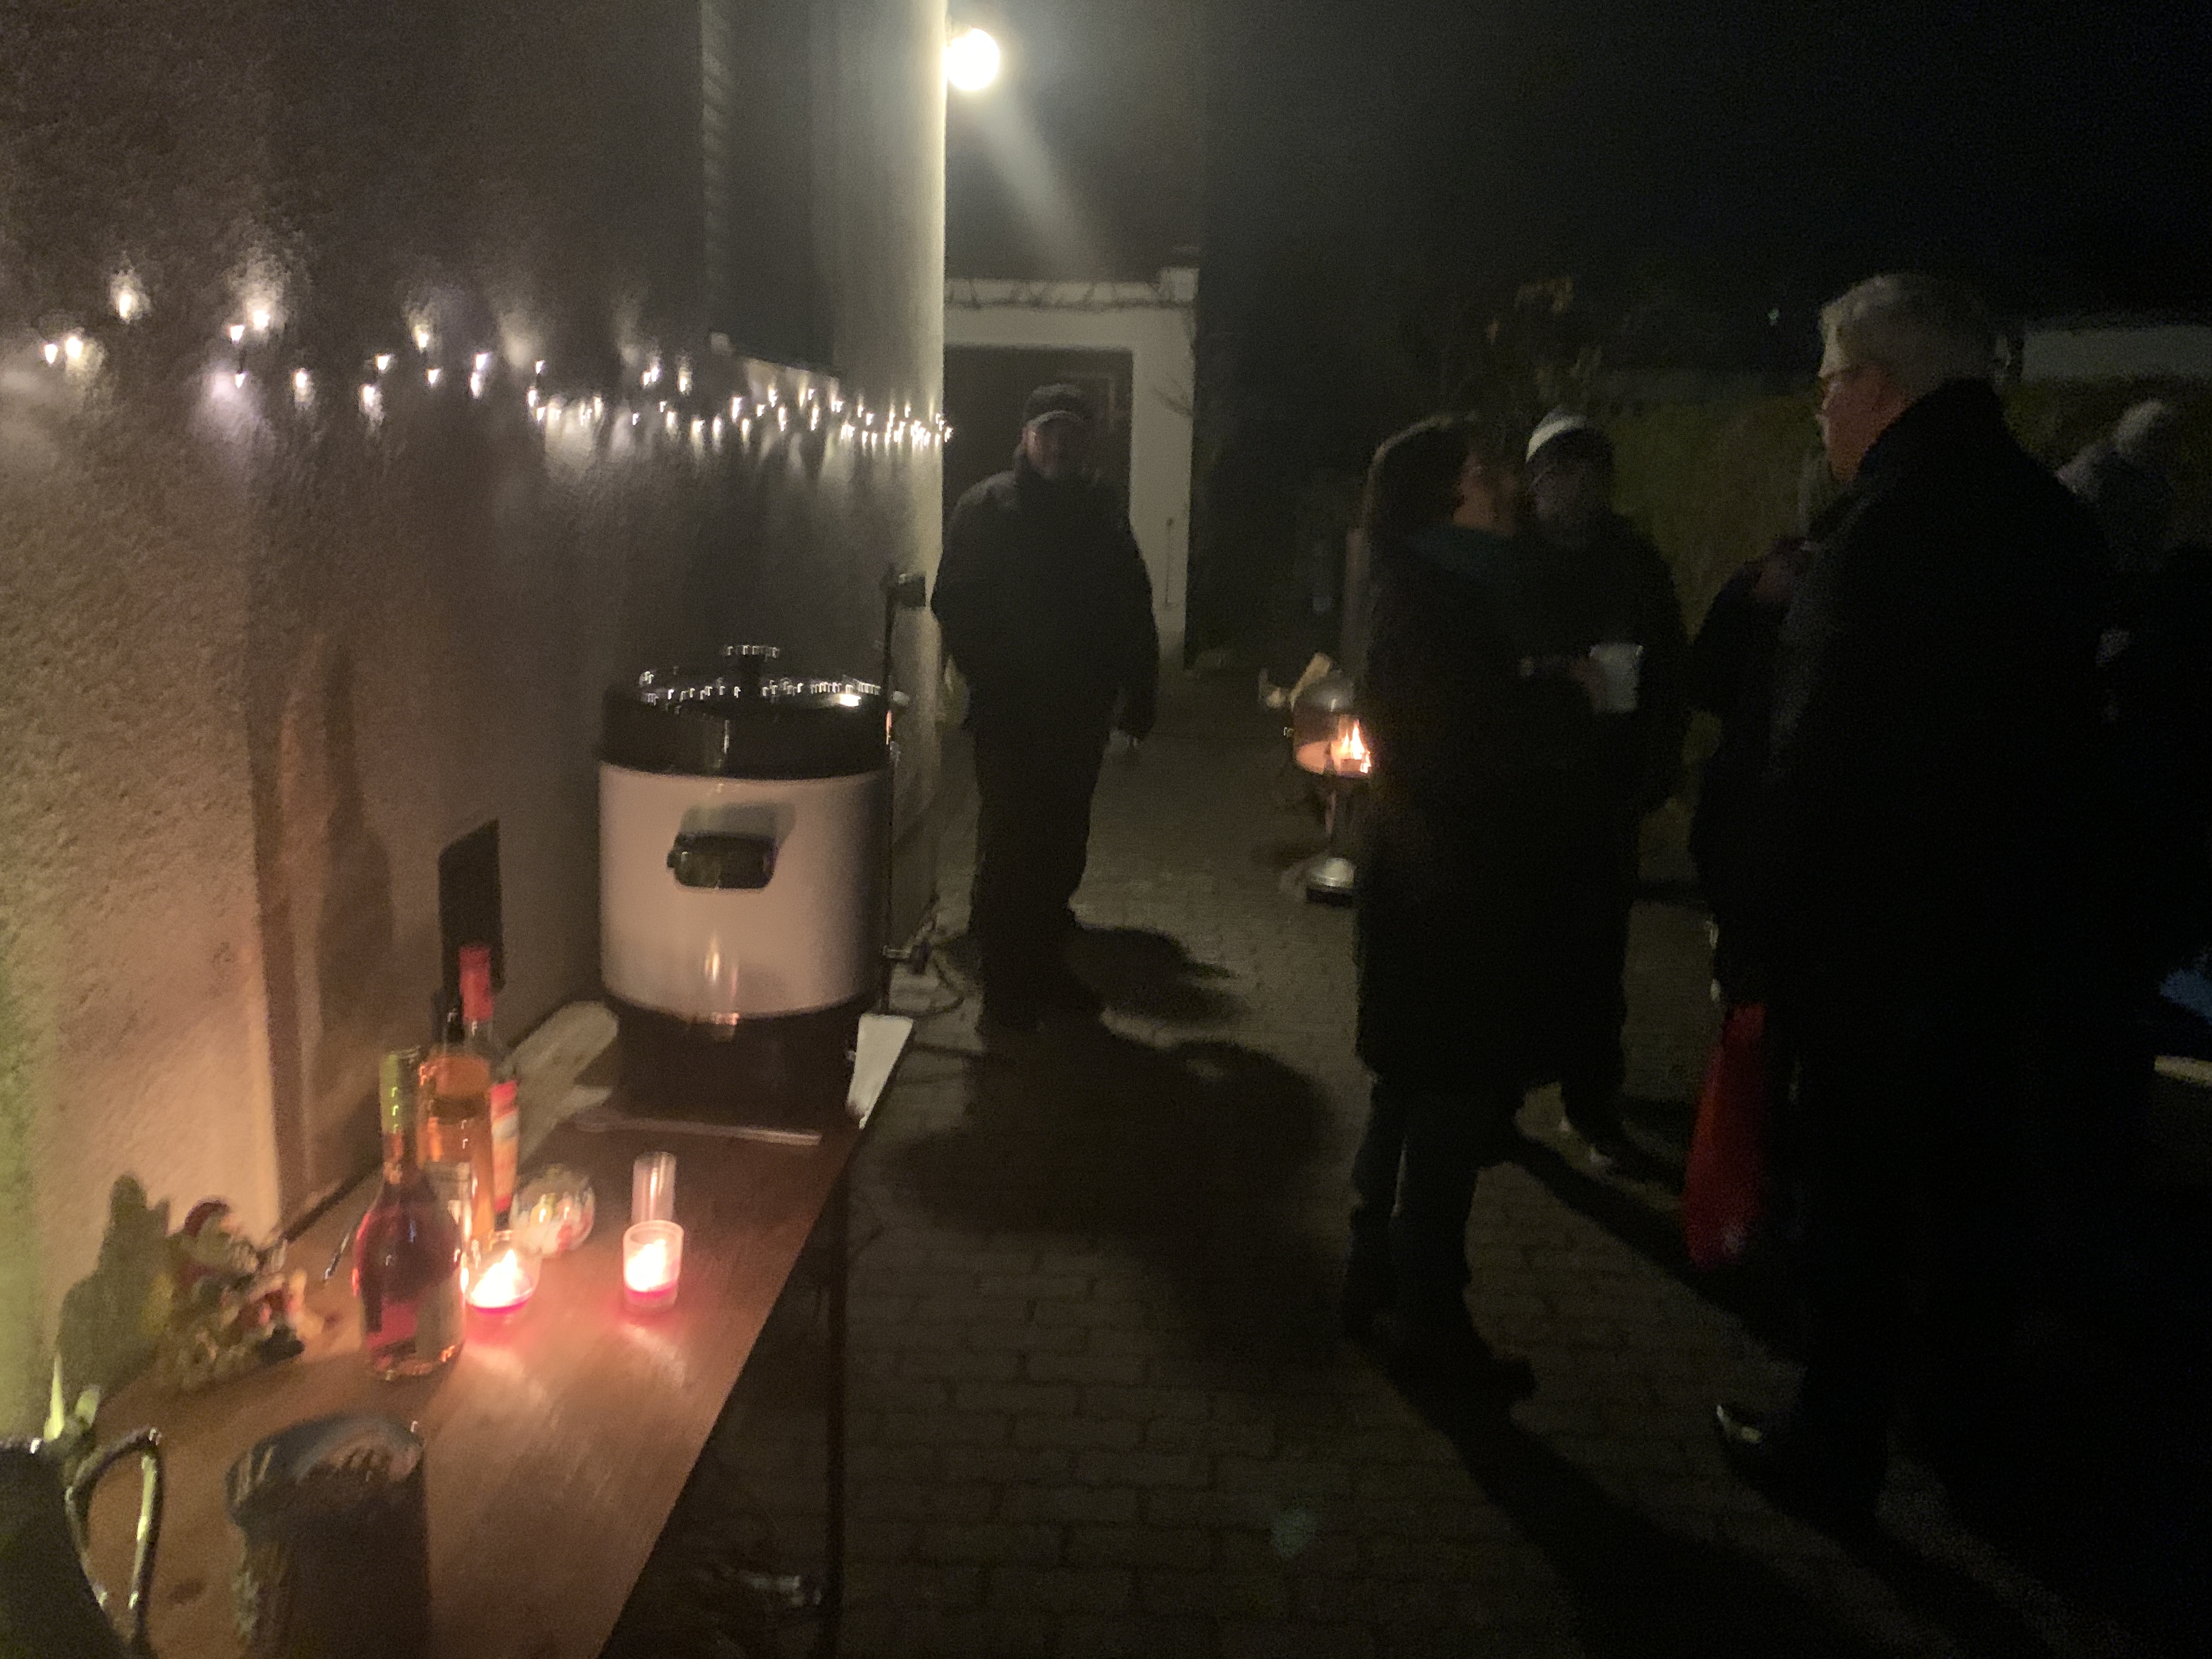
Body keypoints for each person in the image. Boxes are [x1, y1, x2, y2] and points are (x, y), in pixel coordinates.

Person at [1712, 274, 2104, 1520]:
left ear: (1878, 386)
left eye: (1827, 383)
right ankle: (1965, 1421)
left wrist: (1757, 937)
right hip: (2008, 931)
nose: (1819, 409)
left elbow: (1812, 756)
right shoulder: (2056, 523)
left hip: (1872, 942)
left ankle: (1835, 1445)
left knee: (1858, 1197)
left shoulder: (1879, 535)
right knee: (1979, 1180)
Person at [1345, 410, 1625, 1384]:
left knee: (1407, 1083)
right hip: (1450, 891)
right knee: (1448, 1099)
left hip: (1428, 882)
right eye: (1479, 470)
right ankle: (1430, 1317)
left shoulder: (1433, 582)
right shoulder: (1438, 593)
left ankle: (1373, 1275)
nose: (1502, 482)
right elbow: (1458, 744)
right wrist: (1565, 699)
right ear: (1441, 495)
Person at [933, 383, 1159, 1036]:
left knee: (1062, 841)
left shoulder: (1100, 509)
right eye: (1048, 430)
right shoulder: (988, 508)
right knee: (1013, 843)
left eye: (1071, 433)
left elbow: (1132, 598)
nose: (1059, 444)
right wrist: (995, 676)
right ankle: (1006, 989)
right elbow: (956, 600)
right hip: (1011, 714)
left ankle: (1043, 963)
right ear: (1026, 436)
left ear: (1085, 442)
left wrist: (1139, 690)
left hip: (1079, 712)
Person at [1522, 412, 1691, 1164]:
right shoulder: (1512, 560)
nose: (1575, 487)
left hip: (1603, 789)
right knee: (1515, 947)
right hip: (1524, 789)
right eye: (1560, 471)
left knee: (1595, 956)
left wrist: (1654, 769)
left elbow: (1671, 670)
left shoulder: (1634, 562)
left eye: (1589, 472)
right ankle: (1504, 1092)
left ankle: (1591, 1102)